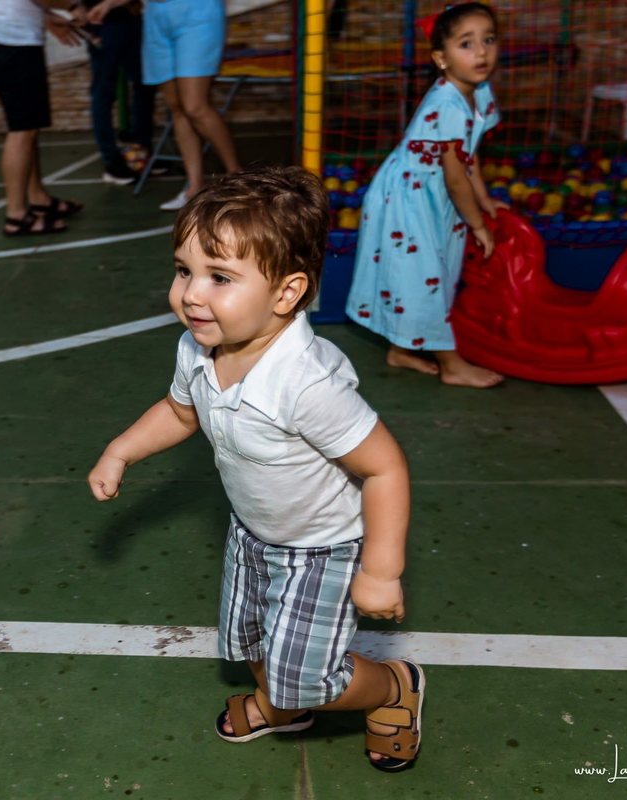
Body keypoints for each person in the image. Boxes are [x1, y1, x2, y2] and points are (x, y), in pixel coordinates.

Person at [88, 167, 424, 771]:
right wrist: (121, 450)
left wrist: (381, 570)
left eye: (219, 277)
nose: (192, 293)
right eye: (184, 270)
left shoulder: (307, 384)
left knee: (308, 677)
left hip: (323, 548)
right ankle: (282, 705)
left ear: (287, 294)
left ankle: (391, 687)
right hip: (253, 531)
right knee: (247, 638)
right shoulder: (198, 348)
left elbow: (385, 469)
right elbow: (179, 411)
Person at [344, 3, 509, 387]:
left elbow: (470, 154)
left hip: (434, 195)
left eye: (488, 40)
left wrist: (483, 199)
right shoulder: (447, 103)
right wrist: (477, 224)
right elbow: (455, 178)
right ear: (441, 59)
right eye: (466, 44)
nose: (481, 52)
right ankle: (451, 365)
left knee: (437, 273)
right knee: (424, 276)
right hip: (409, 197)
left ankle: (401, 349)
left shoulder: (480, 92)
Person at [111, 0, 241, 210]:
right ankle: (194, 188)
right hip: (156, 17)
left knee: (195, 106)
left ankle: (240, 179)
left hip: (196, 11)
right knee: (177, 108)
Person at [0, 0, 85, 236]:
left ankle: (38, 199)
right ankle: (16, 216)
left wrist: (46, 15)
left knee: (28, 126)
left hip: (3, 39)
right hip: (11, 42)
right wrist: (74, 7)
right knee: (22, 130)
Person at [71, 0, 156, 185]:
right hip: (102, 23)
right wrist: (74, 6)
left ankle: (141, 152)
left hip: (130, 18)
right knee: (104, 93)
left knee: (145, 84)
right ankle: (111, 161)